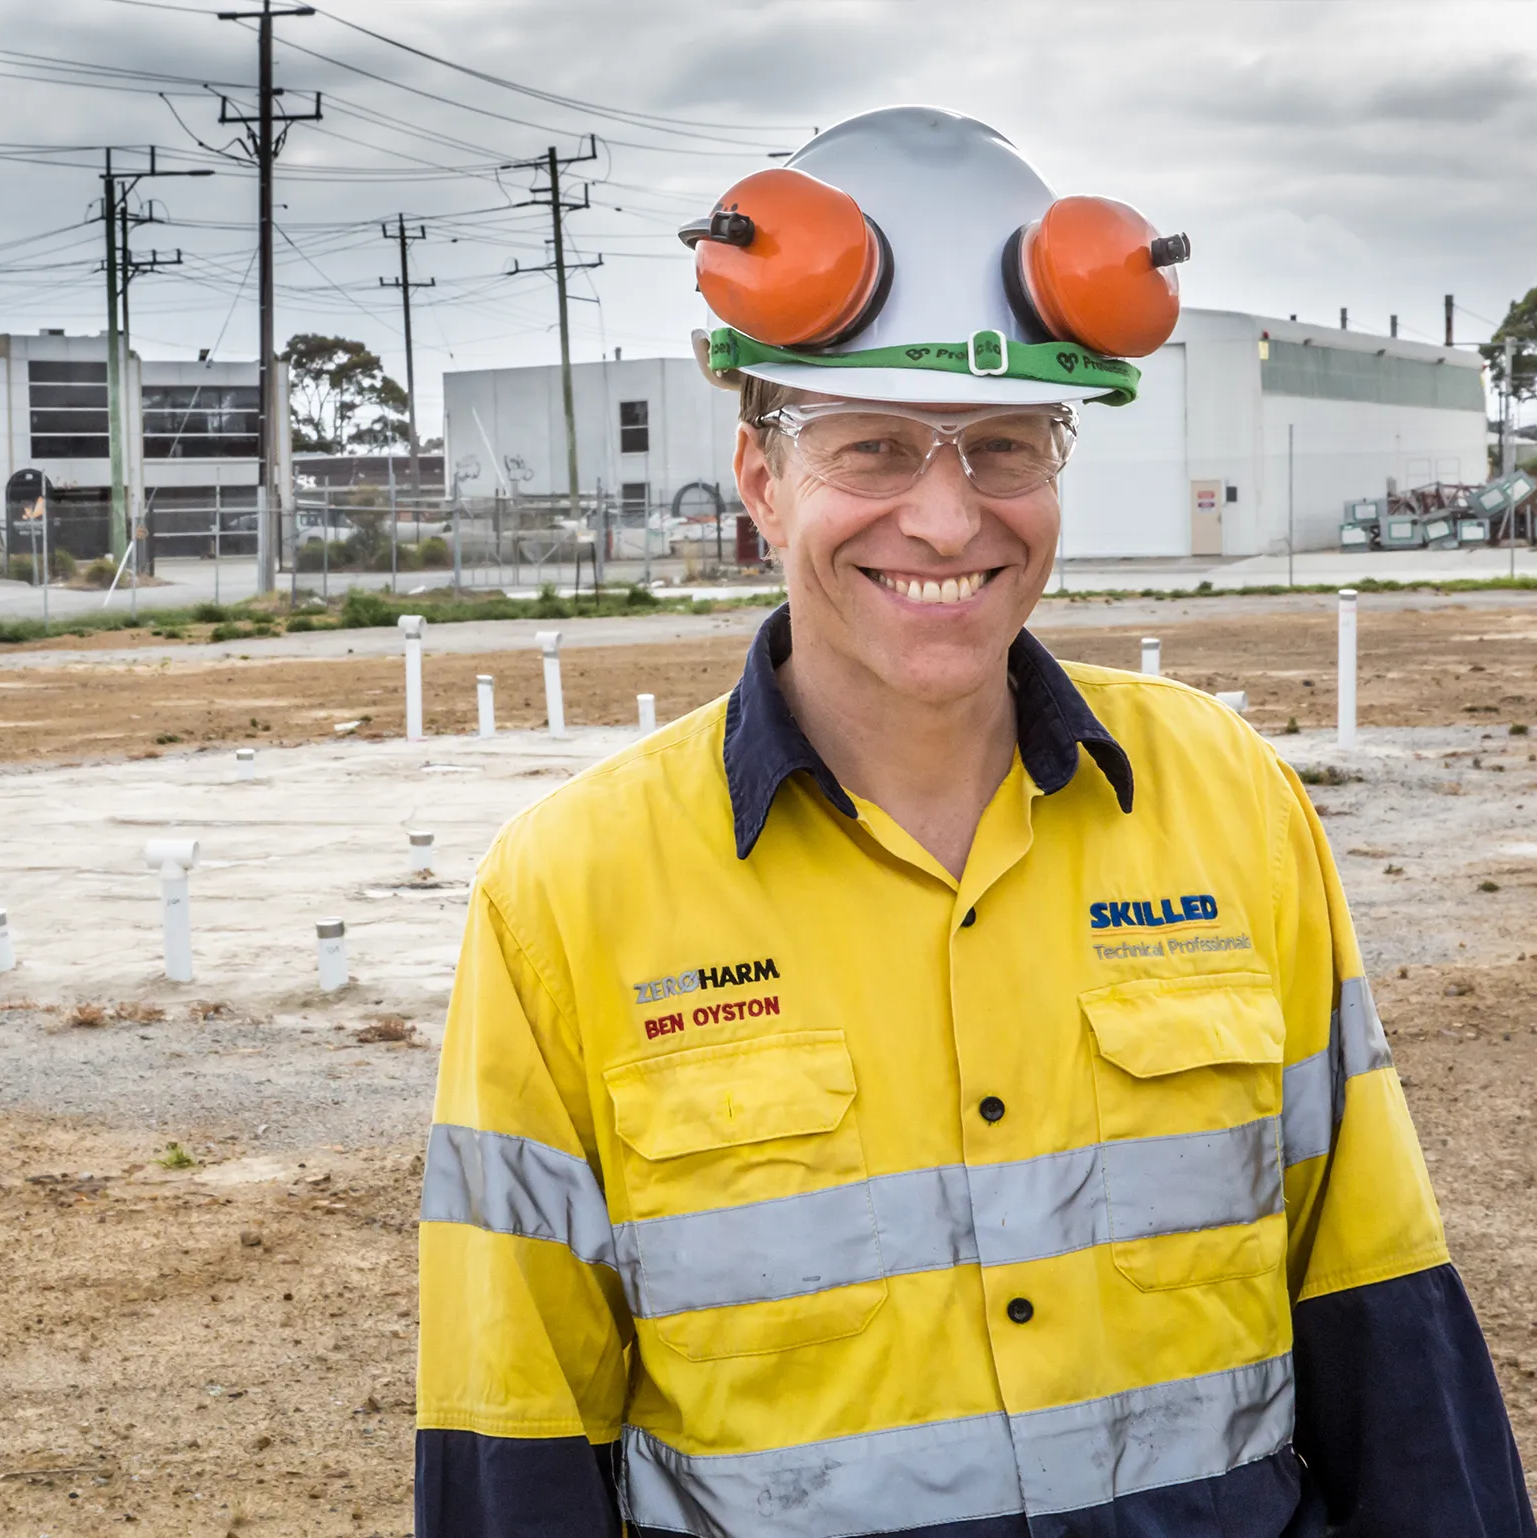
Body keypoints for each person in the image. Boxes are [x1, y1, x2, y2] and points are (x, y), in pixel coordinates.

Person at [414, 106, 1533, 1537]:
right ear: (761, 477)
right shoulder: (567, 892)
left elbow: (1382, 1316)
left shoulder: (1228, 801)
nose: (946, 520)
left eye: (1002, 447)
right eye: (872, 448)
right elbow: (509, 1443)